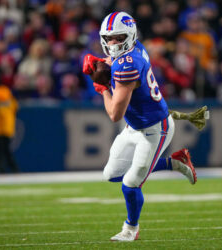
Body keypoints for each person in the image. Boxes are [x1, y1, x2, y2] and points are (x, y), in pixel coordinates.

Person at [82, 12, 197, 242]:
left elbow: (115, 114)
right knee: (110, 175)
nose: (113, 43)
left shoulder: (128, 65)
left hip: (156, 128)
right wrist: (102, 63)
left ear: (130, 35)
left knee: (131, 182)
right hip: (135, 126)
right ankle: (175, 162)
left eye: (119, 37)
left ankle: (130, 229)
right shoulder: (135, 49)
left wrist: (101, 87)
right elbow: (118, 60)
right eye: (109, 38)